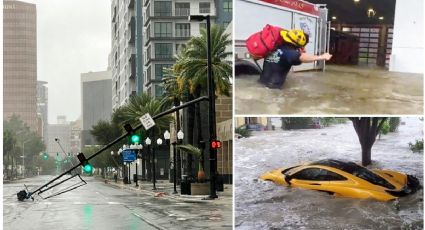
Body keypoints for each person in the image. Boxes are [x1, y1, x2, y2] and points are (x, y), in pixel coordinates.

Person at [259, 29, 332, 89]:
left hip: (261, 83)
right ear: (298, 45)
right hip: (273, 89)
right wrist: (322, 56)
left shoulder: (274, 48)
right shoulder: (289, 53)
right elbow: (302, 58)